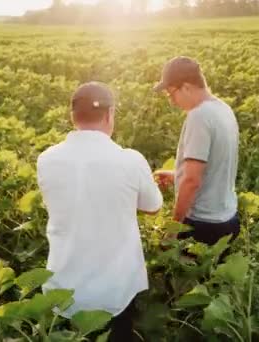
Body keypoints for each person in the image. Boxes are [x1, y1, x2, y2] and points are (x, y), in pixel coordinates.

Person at [36, 81, 163, 341]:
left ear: (72, 117)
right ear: (110, 115)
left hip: (64, 291)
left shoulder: (46, 159)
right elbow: (153, 207)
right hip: (115, 293)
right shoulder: (130, 160)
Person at [153, 56, 241, 246]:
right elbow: (215, 166)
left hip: (202, 225)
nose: (172, 101)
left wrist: (175, 227)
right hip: (228, 220)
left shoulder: (199, 116)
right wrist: (176, 176)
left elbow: (192, 180)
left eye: (171, 93)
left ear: (186, 87)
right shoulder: (223, 109)